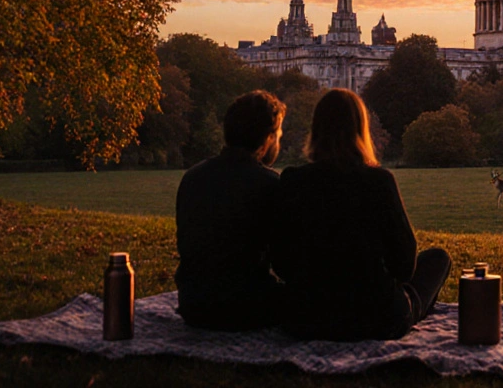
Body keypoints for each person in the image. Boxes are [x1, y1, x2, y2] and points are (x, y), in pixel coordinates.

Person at [271, 88, 451, 340]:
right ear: (360, 129)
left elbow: (280, 262)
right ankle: (414, 308)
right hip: (376, 318)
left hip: (306, 317)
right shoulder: (379, 181)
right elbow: (404, 265)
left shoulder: (293, 180)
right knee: (437, 259)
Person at [174, 90, 286, 330]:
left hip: (194, 305)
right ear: (267, 139)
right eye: (278, 134)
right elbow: (285, 263)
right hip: (247, 308)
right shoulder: (270, 185)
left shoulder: (193, 177)